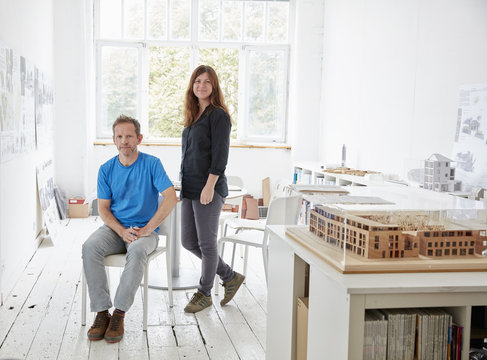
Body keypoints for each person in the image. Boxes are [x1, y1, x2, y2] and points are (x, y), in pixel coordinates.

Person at [82, 115, 178, 343]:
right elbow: (103, 209)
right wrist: (121, 231)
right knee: (89, 247)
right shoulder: (106, 169)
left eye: (129, 136)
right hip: (116, 230)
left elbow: (171, 197)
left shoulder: (152, 164)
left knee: (136, 251)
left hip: (145, 232)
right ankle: (102, 312)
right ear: (114, 140)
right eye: (119, 136)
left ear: (139, 138)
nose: (124, 141)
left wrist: (147, 229)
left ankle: (119, 314)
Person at [180, 65, 245, 313]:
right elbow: (190, 156)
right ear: (192, 85)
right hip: (189, 188)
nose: (201, 86)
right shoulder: (194, 115)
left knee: (207, 244)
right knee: (188, 241)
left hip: (209, 188)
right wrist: (183, 188)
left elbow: (220, 156)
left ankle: (204, 293)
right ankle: (229, 276)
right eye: (197, 81)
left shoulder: (218, 115)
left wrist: (210, 186)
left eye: (207, 82)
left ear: (214, 86)